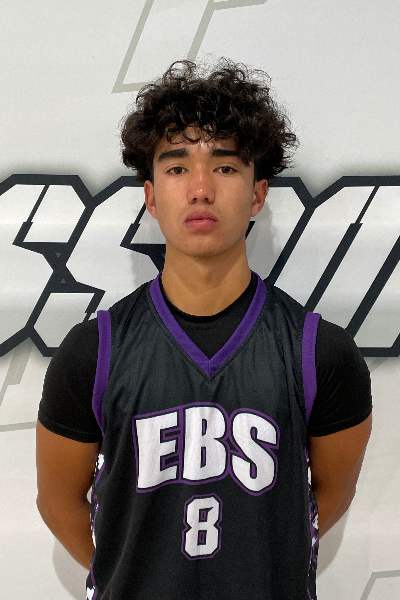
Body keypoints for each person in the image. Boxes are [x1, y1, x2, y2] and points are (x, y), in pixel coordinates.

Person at [36, 59, 372, 600]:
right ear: (150, 197)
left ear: (258, 194)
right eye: (176, 168)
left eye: (225, 167)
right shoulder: (92, 351)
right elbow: (57, 502)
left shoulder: (320, 352)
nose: (199, 189)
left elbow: (325, 500)